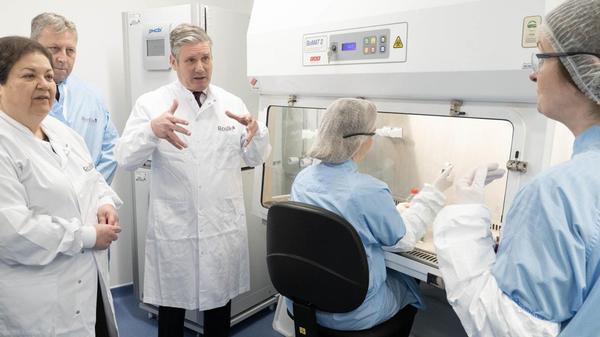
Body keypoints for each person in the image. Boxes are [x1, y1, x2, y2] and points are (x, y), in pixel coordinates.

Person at [433, 0, 600, 336]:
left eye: (542, 55)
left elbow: (506, 328)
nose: (533, 72)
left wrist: (465, 216)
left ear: (584, 66)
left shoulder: (560, 192)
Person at [115, 23, 271, 337]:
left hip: (220, 227)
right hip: (175, 228)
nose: (200, 68)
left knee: (218, 309)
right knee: (171, 312)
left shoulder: (231, 103)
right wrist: (151, 131)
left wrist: (257, 134)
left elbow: (256, 158)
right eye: (190, 60)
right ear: (173, 62)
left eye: (206, 58)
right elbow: (125, 158)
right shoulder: (152, 104)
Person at [287, 98, 454, 333]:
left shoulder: (303, 180)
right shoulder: (368, 190)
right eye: (373, 133)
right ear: (362, 141)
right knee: (410, 284)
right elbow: (403, 241)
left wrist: (393, 212)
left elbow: (337, 221)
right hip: (355, 312)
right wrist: (435, 192)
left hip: (305, 302)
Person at [0, 36, 122, 337]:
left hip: (88, 281)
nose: (44, 84)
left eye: (48, 76)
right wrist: (88, 236)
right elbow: (13, 232)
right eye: (29, 75)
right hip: (38, 301)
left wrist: (105, 202)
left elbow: (92, 179)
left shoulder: (62, 133)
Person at [31, 12, 119, 184]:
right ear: (33, 48)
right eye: (54, 49)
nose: (63, 58)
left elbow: (111, 149)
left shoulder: (92, 97)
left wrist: (93, 192)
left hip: (92, 203)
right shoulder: (18, 98)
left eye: (70, 50)